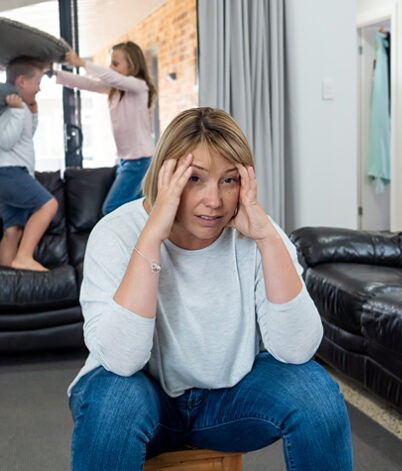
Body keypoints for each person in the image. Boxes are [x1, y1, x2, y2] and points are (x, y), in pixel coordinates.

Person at [68, 107, 353, 470]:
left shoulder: (260, 234)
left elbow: (297, 351)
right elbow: (122, 360)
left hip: (228, 403)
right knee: (113, 400)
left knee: (315, 393)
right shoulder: (114, 234)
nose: (214, 201)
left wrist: (267, 239)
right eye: (194, 179)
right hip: (142, 399)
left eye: (229, 180)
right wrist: (152, 237)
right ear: (164, 178)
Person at [55, 41, 157, 215]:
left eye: (115, 64)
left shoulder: (139, 86)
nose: (110, 68)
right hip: (126, 160)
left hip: (139, 160)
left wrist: (82, 63)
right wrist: (54, 73)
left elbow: (113, 77)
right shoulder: (116, 90)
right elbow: (86, 83)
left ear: (132, 65)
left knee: (111, 209)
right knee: (136, 210)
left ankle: (140, 240)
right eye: (110, 63)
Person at [0, 56, 58, 272]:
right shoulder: (9, 107)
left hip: (5, 173)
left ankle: (5, 282)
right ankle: (24, 257)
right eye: (37, 83)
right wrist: (18, 111)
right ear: (22, 81)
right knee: (49, 205)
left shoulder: (21, 108)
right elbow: (5, 141)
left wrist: (33, 114)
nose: (38, 90)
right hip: (7, 173)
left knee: (12, 231)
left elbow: (25, 136)